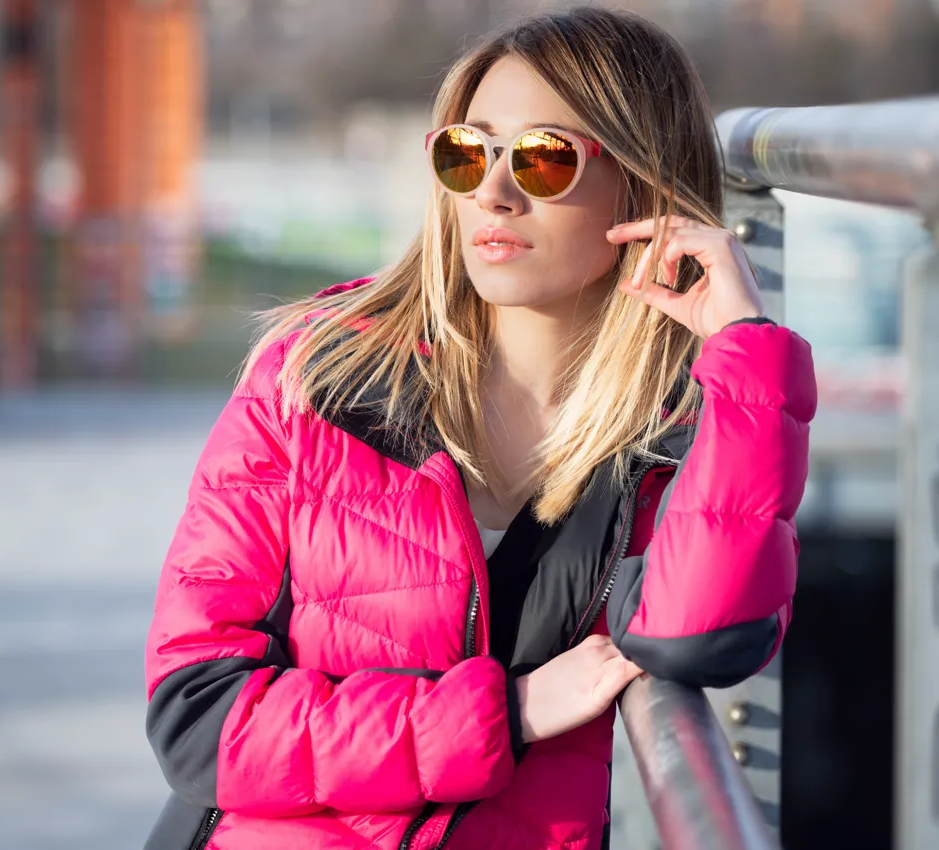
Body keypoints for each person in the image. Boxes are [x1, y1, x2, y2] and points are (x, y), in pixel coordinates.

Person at [142, 7, 816, 849]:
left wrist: (747, 354)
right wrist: (507, 712)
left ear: (640, 186)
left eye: (541, 157)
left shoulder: (677, 433)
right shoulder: (315, 382)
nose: (493, 192)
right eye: (468, 152)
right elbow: (198, 716)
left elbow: (702, 638)